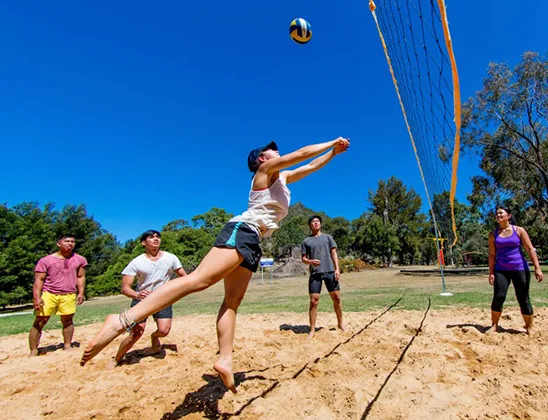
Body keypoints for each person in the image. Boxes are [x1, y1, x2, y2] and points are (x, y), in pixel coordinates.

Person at [81, 136, 350, 393]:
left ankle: (225, 359)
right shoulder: (265, 171)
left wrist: (333, 155)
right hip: (242, 230)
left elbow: (310, 165)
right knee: (198, 281)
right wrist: (331, 141)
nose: (276, 150)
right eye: (270, 149)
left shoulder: (284, 178)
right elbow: (302, 154)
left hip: (254, 240)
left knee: (232, 302)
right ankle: (121, 320)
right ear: (260, 159)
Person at [114, 230, 187, 364]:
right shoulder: (136, 262)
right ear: (143, 243)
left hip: (163, 298)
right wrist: (137, 294)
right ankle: (117, 358)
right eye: (151, 237)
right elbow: (125, 288)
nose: (156, 239)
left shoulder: (171, 258)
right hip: (142, 299)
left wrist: (174, 289)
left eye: (157, 237)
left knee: (164, 331)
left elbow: (184, 277)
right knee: (136, 333)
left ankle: (154, 339)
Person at [487, 207, 544, 335]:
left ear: (509, 216)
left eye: (501, 213)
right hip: (501, 269)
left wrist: (537, 268)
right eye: (496, 213)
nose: (498, 215)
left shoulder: (519, 230)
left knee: (523, 298)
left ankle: (529, 327)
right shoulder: (493, 234)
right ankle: (494, 326)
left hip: (520, 268)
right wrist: (491, 272)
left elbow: (530, 249)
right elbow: (491, 254)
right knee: (499, 297)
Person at [29, 234, 87, 356]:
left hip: (69, 294)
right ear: (58, 244)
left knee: (68, 321)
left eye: (72, 241)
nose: (70, 243)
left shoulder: (80, 259)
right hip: (49, 294)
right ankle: (34, 351)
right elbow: (39, 280)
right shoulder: (45, 261)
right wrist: (36, 297)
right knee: (40, 322)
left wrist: (81, 293)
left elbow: (80, 277)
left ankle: (67, 346)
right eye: (67, 241)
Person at [301, 215, 343, 338]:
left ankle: (340, 324)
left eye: (318, 221)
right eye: (313, 222)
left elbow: (334, 253)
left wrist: (337, 269)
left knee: (336, 298)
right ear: (310, 225)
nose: (316, 223)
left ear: (320, 224)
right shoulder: (306, 241)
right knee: (314, 301)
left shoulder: (328, 238)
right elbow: (303, 258)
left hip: (329, 271)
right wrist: (310, 262)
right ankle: (312, 330)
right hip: (315, 274)